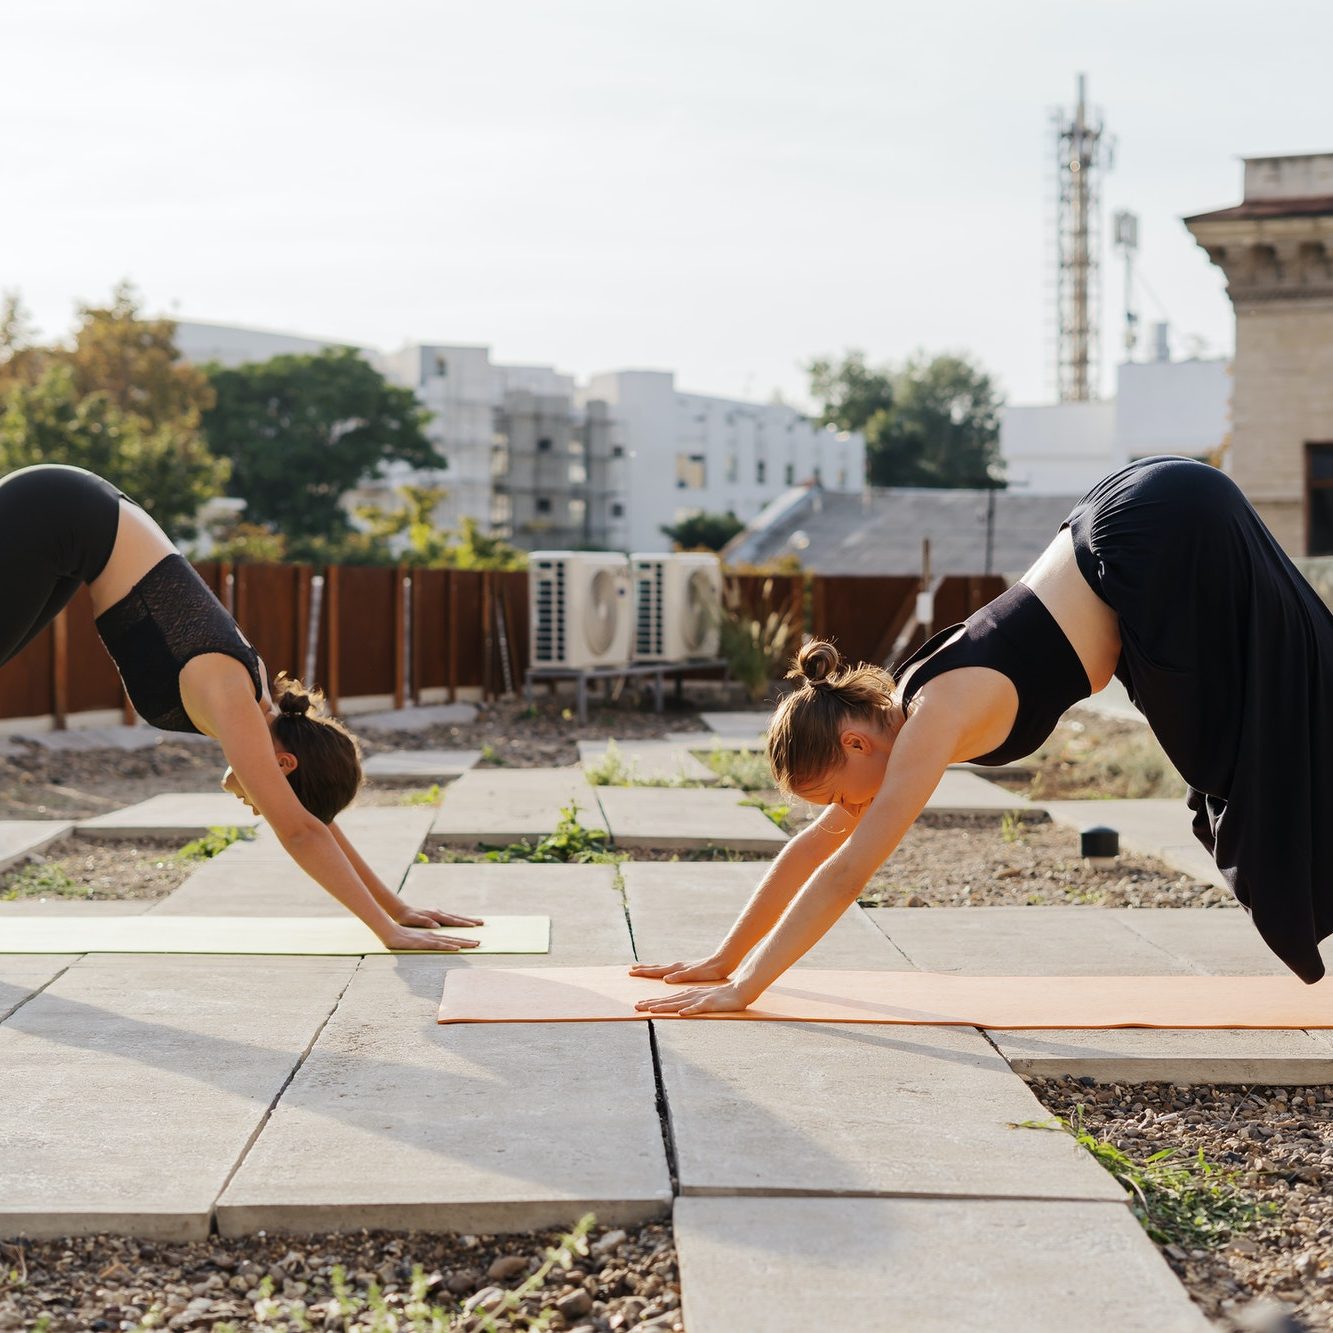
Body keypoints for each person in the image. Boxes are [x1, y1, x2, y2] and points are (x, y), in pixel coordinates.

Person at [631, 455, 1333, 1015]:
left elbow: (846, 873)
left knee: (1260, 763)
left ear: (853, 744)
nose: (843, 812)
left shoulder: (930, 719)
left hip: (1156, 532)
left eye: (838, 796)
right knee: (1265, 746)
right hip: (1136, 516)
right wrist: (725, 958)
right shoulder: (901, 699)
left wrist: (745, 989)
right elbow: (813, 848)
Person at [0, 463, 481, 951]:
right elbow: (299, 830)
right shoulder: (235, 699)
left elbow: (313, 821)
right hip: (59, 513)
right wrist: (387, 932)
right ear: (284, 762)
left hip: (72, 524)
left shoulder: (261, 713)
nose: (258, 807)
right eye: (270, 796)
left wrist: (396, 907)